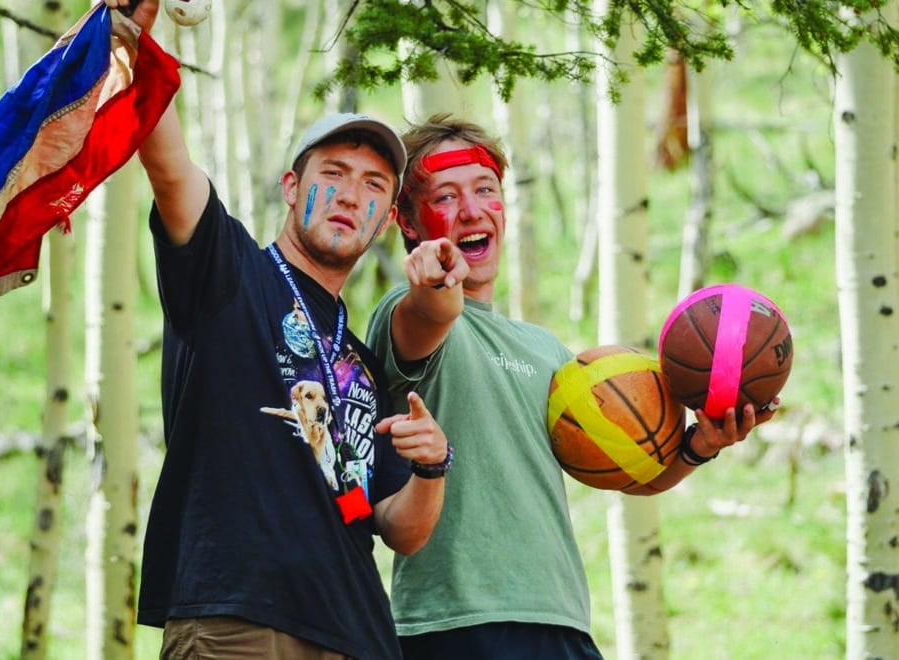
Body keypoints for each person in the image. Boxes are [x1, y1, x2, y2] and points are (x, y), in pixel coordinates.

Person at [103, 3, 451, 658]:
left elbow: (398, 528)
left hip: (359, 635)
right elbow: (171, 168)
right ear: (292, 187)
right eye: (334, 174)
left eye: (374, 184)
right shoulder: (228, 275)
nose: (353, 195)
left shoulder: (360, 364)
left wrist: (433, 465)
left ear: (384, 221)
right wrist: (132, 39)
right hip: (237, 622)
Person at [365, 113, 779, 659]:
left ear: (503, 208)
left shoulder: (548, 353)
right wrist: (434, 279)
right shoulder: (408, 313)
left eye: (485, 189)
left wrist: (701, 445)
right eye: (445, 196)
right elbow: (432, 311)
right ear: (410, 225)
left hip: (561, 622)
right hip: (455, 626)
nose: (470, 210)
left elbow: (637, 474)